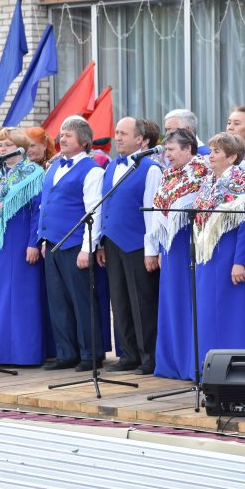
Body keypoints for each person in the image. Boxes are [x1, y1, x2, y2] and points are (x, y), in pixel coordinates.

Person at [96, 117, 163, 375]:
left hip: (137, 243)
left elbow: (152, 212)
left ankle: (149, 356)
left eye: (124, 133)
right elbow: (105, 206)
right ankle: (128, 353)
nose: (118, 138)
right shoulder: (111, 167)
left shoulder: (150, 168)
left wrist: (151, 249)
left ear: (141, 139)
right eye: (116, 133)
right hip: (113, 242)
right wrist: (101, 242)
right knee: (120, 301)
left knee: (142, 301)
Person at [39, 116, 105, 371]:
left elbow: (93, 212)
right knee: (58, 301)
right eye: (61, 134)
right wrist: (43, 238)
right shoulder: (54, 167)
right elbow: (46, 205)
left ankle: (91, 353)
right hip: (52, 244)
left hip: (75, 244)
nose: (61, 139)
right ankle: (66, 352)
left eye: (67, 135)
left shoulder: (92, 170)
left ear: (84, 140)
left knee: (81, 300)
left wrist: (88, 248)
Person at [0, 128, 47, 365]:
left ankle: (22, 352)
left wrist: (33, 243)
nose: (1, 149)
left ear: (20, 147)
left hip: (20, 243)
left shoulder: (33, 173)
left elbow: (39, 212)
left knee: (19, 299)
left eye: (6, 145)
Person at [193, 133, 245, 377]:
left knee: (231, 316)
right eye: (211, 151)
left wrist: (239, 263)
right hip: (208, 258)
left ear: (232, 157)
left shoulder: (242, 182)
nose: (210, 156)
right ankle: (207, 370)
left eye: (217, 152)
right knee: (207, 314)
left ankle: (236, 372)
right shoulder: (209, 181)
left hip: (229, 259)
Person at [146, 128, 210, 380]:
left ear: (188, 149)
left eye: (172, 150)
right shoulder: (169, 174)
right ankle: (171, 361)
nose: (167, 155)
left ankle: (189, 362)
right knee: (171, 301)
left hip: (190, 244)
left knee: (187, 301)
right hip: (170, 246)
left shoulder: (201, 172)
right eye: (166, 150)